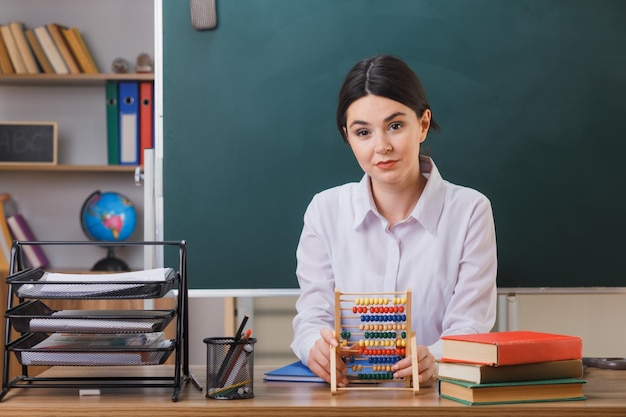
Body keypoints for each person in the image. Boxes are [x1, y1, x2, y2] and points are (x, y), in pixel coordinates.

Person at [290, 55, 497, 388]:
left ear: (423, 125)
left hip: (438, 400)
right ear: (348, 136)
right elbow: (312, 319)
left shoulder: (470, 211)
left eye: (395, 126)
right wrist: (314, 347)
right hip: (347, 401)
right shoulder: (324, 211)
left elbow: (469, 327)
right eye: (363, 132)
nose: (381, 147)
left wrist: (437, 358)